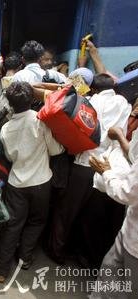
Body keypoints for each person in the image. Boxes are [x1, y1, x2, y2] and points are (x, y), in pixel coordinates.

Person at [48, 73, 131, 265]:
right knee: (92, 215)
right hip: (107, 168)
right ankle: (84, 255)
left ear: (94, 88)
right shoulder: (124, 104)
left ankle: (57, 251)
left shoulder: (90, 101)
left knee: (66, 211)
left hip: (84, 163)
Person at [0, 82, 64, 283]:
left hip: (17, 183)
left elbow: (10, 156)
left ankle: (1, 270)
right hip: (42, 181)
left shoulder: (5, 129)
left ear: (10, 104)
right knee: (37, 221)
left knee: (13, 225)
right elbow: (56, 150)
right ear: (32, 100)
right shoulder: (40, 120)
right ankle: (24, 258)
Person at [88, 128, 138, 298]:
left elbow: (127, 193)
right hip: (128, 230)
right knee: (107, 276)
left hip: (135, 247)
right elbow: (135, 155)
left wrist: (106, 172)